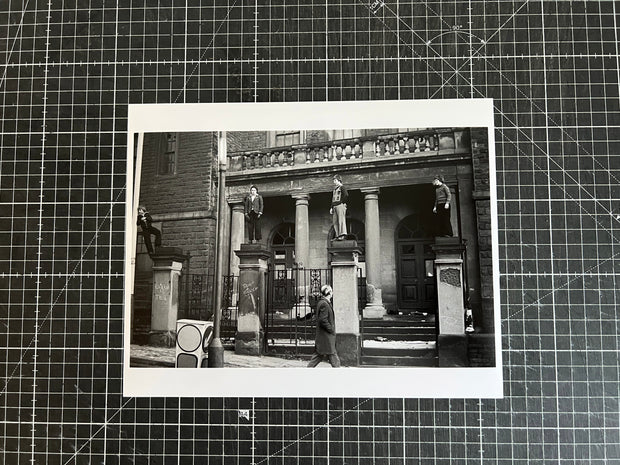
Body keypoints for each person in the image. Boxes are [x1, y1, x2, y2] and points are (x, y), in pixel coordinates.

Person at [307, 284, 341, 368]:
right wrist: (331, 329)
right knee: (332, 355)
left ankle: (307, 370)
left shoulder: (323, 302)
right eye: (331, 291)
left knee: (319, 355)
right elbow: (323, 320)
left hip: (324, 337)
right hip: (326, 336)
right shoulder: (324, 304)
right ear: (328, 293)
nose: (332, 293)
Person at [330, 174, 348, 240]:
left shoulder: (342, 187)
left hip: (340, 206)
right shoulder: (335, 189)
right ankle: (337, 235)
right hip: (335, 206)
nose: (334, 182)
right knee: (335, 221)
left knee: (341, 220)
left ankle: (342, 234)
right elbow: (333, 199)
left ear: (338, 180)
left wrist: (341, 202)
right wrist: (331, 207)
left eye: (335, 180)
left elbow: (346, 195)